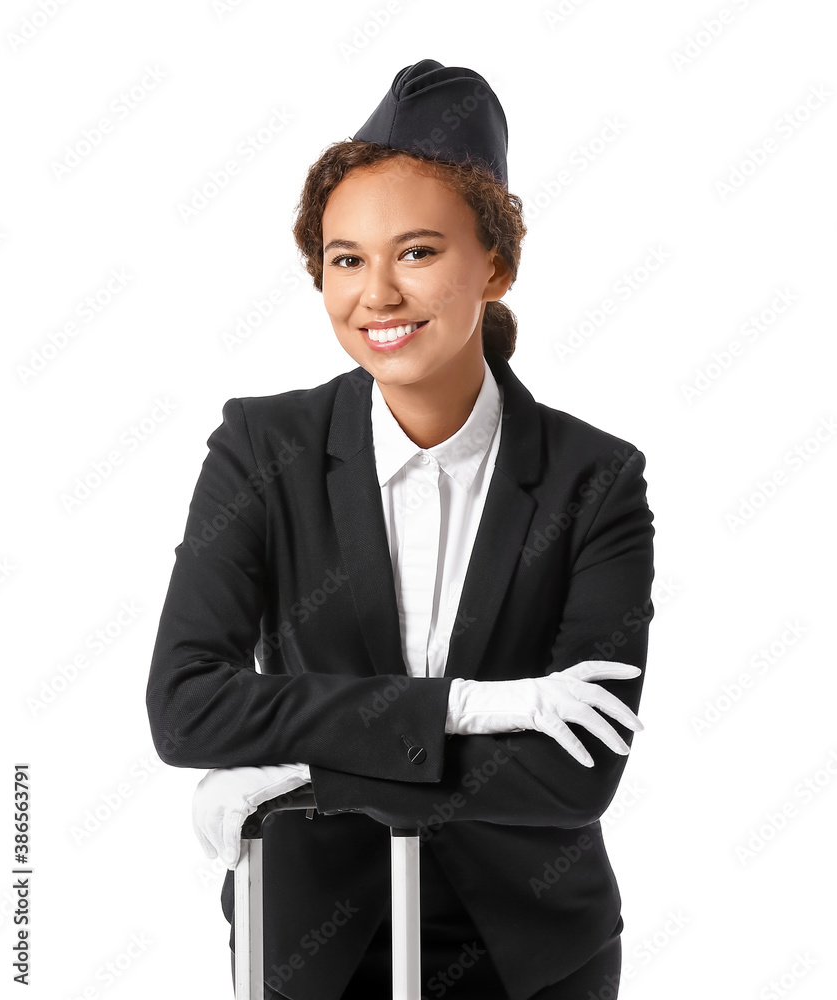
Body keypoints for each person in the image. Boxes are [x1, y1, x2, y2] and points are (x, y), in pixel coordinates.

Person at [146, 59, 655, 1000]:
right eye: (346, 259)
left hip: (531, 956)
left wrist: (291, 783)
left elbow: (575, 777)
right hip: (308, 946)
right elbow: (186, 706)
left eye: (417, 252)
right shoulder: (263, 448)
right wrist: (477, 707)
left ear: (495, 265)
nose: (376, 293)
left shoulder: (596, 479)